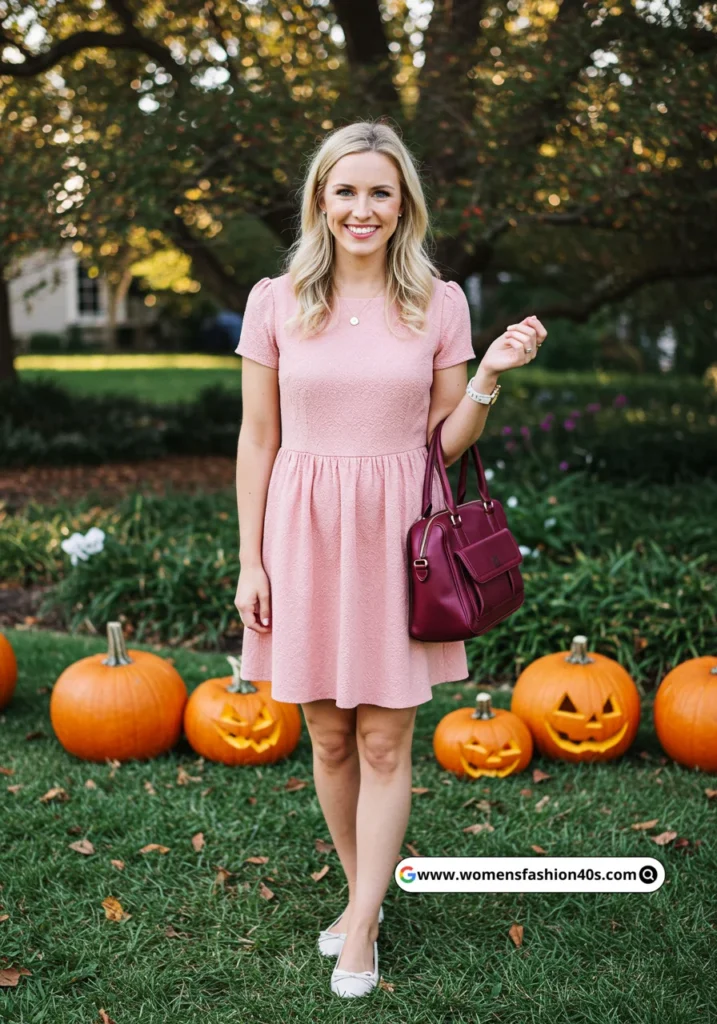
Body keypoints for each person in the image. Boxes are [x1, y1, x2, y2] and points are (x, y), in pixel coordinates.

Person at [234, 120, 547, 998]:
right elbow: (258, 438)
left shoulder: (437, 302)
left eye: (379, 191)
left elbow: (441, 446)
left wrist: (488, 374)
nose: (361, 208)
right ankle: (359, 891)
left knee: (381, 737)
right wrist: (250, 560)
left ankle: (363, 923)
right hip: (301, 530)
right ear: (320, 201)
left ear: (401, 200)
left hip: (398, 535)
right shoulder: (276, 298)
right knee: (327, 737)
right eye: (345, 191)